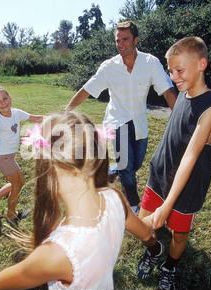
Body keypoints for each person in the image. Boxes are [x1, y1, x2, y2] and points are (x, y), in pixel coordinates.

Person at [0, 111, 156, 290]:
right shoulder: (115, 197)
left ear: (49, 171)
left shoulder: (58, 253)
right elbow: (146, 233)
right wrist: (157, 221)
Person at [136, 37, 211, 290]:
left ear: (201, 64)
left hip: (186, 189)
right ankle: (154, 251)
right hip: (159, 177)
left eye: (180, 70)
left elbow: (191, 154)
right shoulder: (183, 94)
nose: (174, 77)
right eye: (171, 71)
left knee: (180, 233)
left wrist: (167, 205)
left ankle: (170, 265)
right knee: (143, 227)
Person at [64, 21, 177, 216]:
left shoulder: (150, 63)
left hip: (140, 123)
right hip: (117, 122)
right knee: (127, 167)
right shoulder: (109, 67)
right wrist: (66, 112)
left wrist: (179, 119)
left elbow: (167, 91)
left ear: (136, 40)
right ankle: (133, 205)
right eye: (118, 40)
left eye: (125, 39)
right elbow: (87, 89)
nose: (121, 44)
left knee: (135, 164)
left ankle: (114, 170)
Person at [0, 85, 43, 223]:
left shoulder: (16, 113)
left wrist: (57, 118)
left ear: (10, 98)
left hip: (9, 156)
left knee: (20, 182)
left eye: (5, 99)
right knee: (17, 185)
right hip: (2, 158)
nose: (3, 103)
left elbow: (36, 118)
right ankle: (11, 215)